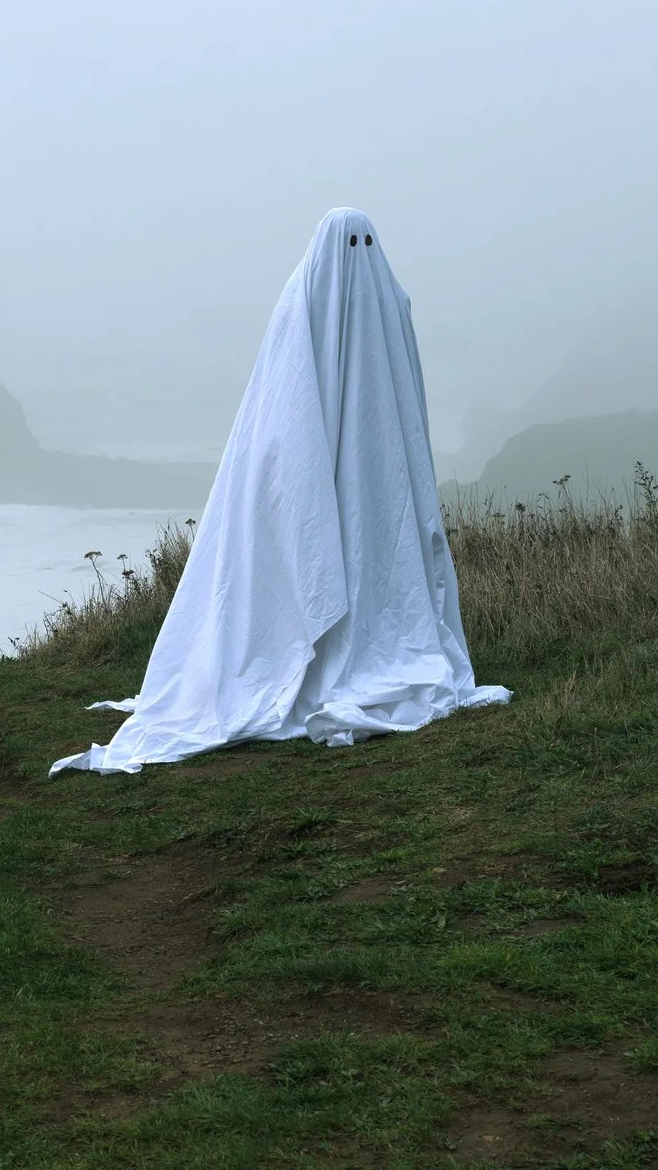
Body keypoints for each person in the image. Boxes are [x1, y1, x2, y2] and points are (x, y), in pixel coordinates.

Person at [52, 208, 507, 775]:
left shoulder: (381, 303)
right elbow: (285, 401)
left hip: (375, 481)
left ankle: (349, 657)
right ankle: (328, 659)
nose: (357, 258)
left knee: (369, 558)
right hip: (331, 469)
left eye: (365, 244)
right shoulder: (322, 304)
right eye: (349, 245)